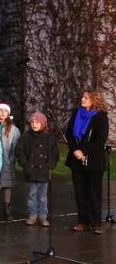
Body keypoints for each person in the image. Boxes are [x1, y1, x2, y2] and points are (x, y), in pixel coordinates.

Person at [65, 91, 110, 234]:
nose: (82, 99)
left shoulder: (101, 117)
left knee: (94, 192)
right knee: (80, 192)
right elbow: (69, 134)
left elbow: (99, 139)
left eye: (86, 97)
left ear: (94, 100)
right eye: (82, 97)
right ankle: (82, 221)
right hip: (76, 160)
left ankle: (96, 223)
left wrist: (83, 151)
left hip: (93, 160)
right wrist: (75, 150)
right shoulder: (76, 113)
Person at [16, 111, 59, 227]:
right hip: (31, 171)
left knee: (43, 197)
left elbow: (54, 154)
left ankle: (43, 216)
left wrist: (49, 166)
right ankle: (33, 215)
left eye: (37, 122)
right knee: (32, 195)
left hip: (43, 172)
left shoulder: (49, 138)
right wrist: (25, 164)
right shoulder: (26, 136)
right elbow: (20, 151)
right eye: (32, 122)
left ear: (43, 124)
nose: (34, 124)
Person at [0, 103, 21, 220]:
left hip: (6, 160)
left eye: (5, 110)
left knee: (7, 184)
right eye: (0, 110)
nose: (3, 112)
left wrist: (11, 160)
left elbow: (16, 146)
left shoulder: (13, 129)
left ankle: (7, 208)